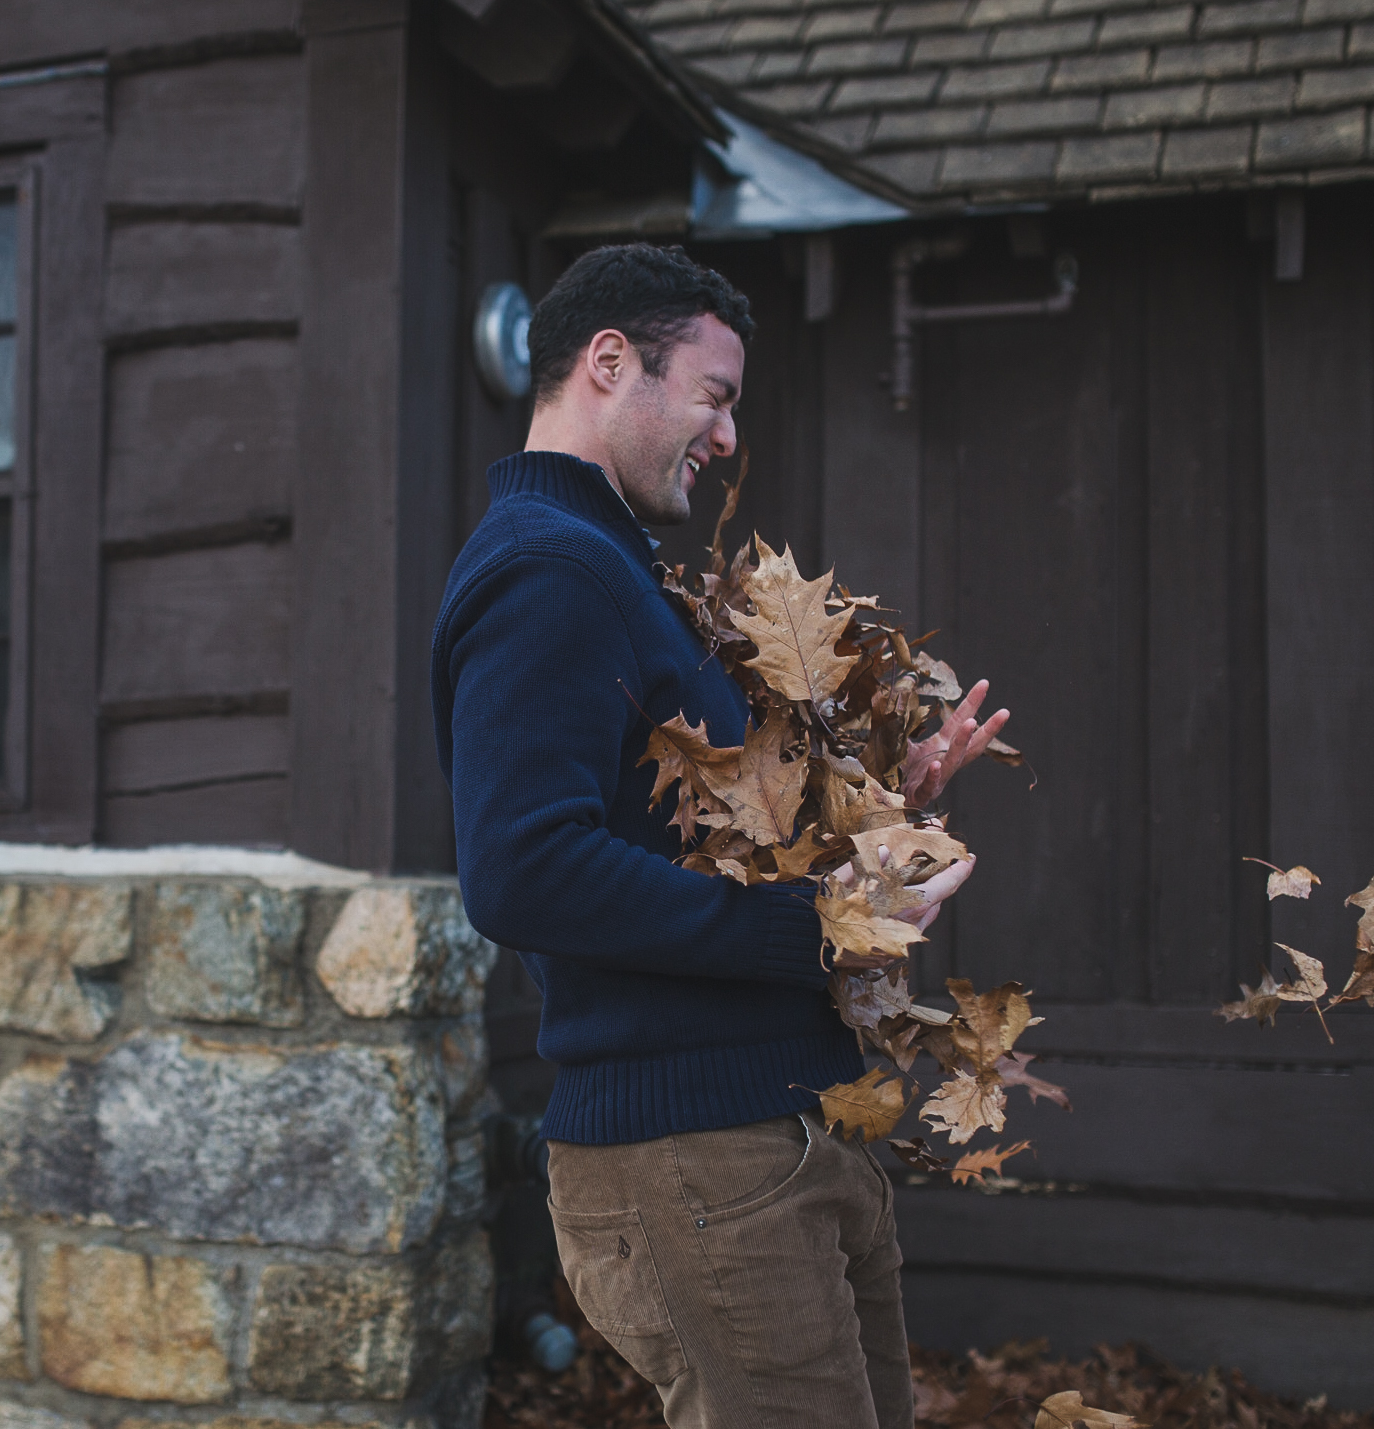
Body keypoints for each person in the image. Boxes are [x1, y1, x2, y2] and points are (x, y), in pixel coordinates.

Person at [430, 244, 1011, 1429]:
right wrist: (809, 931)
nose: (727, 435)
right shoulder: (546, 571)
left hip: (782, 1136)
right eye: (714, 393)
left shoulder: (615, 571)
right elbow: (519, 869)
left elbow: (699, 830)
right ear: (609, 363)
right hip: (693, 1158)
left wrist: (879, 804)